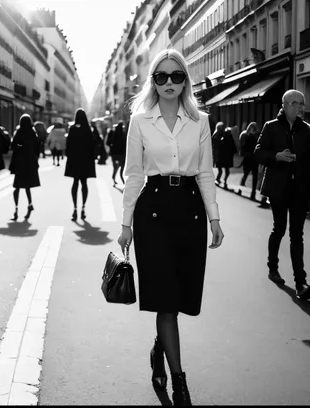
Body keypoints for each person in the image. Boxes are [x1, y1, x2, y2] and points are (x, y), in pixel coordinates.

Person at [117, 48, 224, 406]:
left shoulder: (200, 120)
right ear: (152, 81)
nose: (168, 83)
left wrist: (214, 218)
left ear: (185, 81)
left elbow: (206, 172)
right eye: (160, 76)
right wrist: (125, 223)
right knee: (165, 302)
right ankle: (179, 380)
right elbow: (133, 175)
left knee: (178, 300)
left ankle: (158, 351)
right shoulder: (140, 121)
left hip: (191, 212)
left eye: (176, 76)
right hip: (154, 214)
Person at [253, 89, 310, 300]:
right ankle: (273, 268)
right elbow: (258, 152)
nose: (299, 107)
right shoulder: (271, 127)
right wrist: (276, 156)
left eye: (301, 103)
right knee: (279, 229)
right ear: (284, 106)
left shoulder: (306, 130)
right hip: (278, 188)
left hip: (299, 190)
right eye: (295, 103)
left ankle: (300, 282)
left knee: (297, 235)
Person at [64, 109, 96, 221]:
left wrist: (69, 156)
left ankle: (74, 208)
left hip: (74, 160)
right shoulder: (88, 129)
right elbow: (93, 146)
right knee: (84, 183)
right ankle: (83, 208)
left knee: (75, 183)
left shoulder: (72, 129)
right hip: (85, 160)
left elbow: (68, 145)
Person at [8, 114, 40, 221]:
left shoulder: (19, 132)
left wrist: (20, 146)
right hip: (30, 163)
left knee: (17, 187)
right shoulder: (33, 133)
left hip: (20, 163)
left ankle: (16, 210)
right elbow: (37, 149)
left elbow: (14, 146)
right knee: (27, 186)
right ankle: (30, 204)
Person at [239, 122, 260, 200]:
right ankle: (252, 193)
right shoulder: (253, 137)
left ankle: (242, 190)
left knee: (247, 175)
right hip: (252, 159)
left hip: (250, 159)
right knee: (251, 176)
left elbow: (243, 148)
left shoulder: (247, 136)